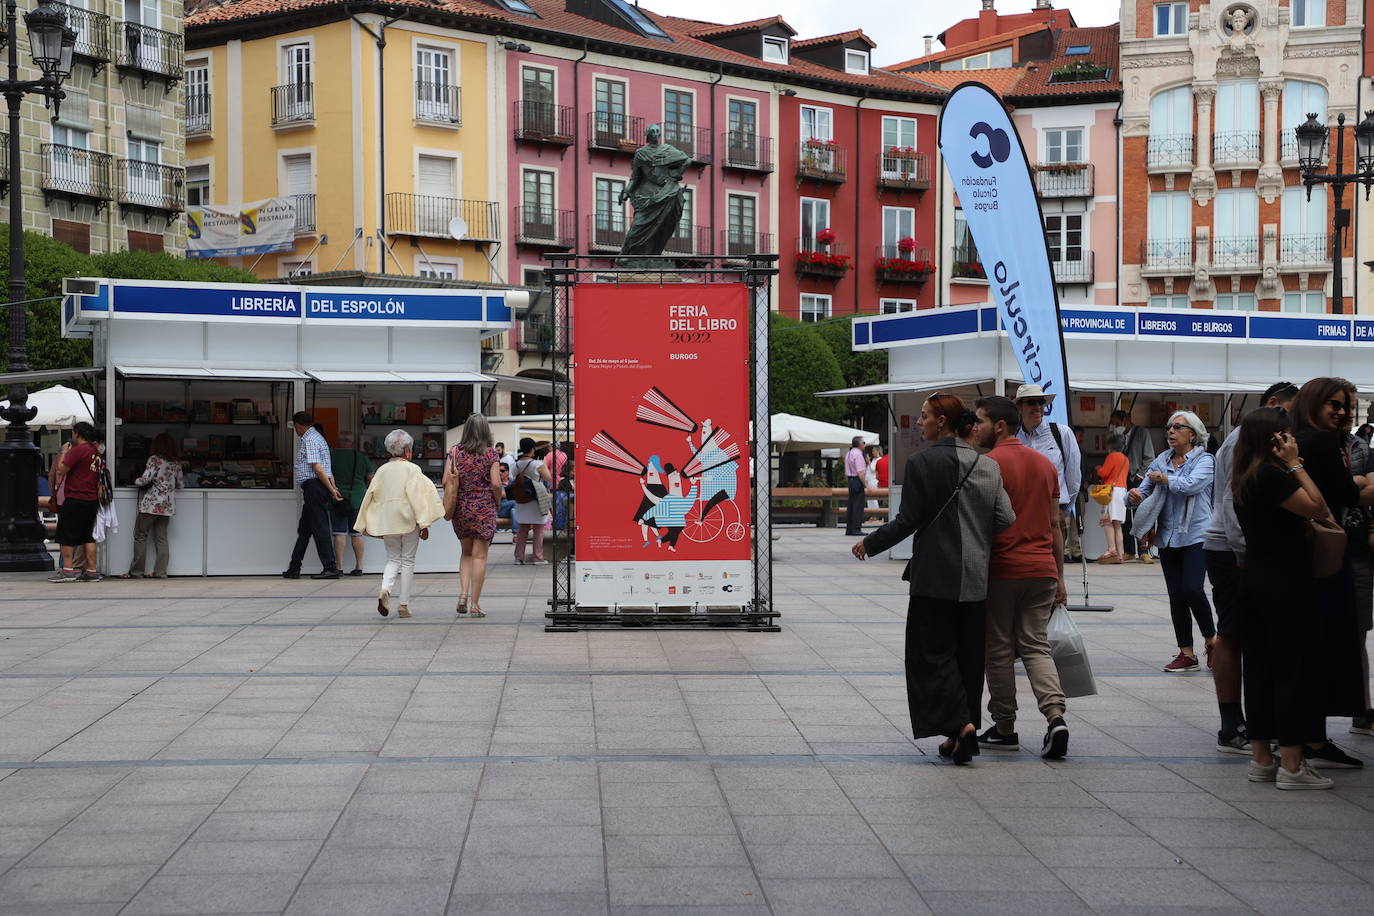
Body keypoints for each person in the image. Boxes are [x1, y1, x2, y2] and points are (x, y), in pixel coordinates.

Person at [851, 394, 1015, 765]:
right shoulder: (987, 466)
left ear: (942, 422)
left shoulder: (922, 463)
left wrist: (870, 543)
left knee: (930, 655)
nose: (919, 423)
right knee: (968, 658)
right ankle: (962, 730)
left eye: (924, 417)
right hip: (975, 578)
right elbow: (1006, 518)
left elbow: (908, 520)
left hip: (934, 577)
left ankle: (960, 725)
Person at [1232, 408, 1334, 789]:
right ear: (1274, 439)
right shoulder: (1273, 476)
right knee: (1291, 671)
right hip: (1286, 584)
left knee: (1258, 670)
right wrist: (1296, 465)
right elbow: (1318, 508)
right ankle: (1292, 764)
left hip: (1254, 582)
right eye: (1287, 435)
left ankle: (1261, 758)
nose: (1293, 441)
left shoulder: (1243, 476)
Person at [973, 396, 1071, 759]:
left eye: (980, 421)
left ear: (1000, 426)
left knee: (998, 648)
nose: (975, 427)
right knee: (1035, 645)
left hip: (1003, 570)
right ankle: (1055, 715)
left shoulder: (988, 465)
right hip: (1042, 569)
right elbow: (1055, 524)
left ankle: (1004, 726)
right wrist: (1059, 576)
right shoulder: (1045, 465)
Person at [1204, 381, 1298, 755]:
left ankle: (1255, 721)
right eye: (1290, 411)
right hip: (1231, 548)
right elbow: (1233, 499)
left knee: (1251, 635)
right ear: (1273, 404)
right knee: (1231, 632)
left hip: (1241, 548)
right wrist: (1244, 552)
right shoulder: (1246, 439)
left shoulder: (1262, 439)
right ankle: (1231, 724)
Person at [1290, 377, 1370, 770]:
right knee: (1326, 646)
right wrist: (1361, 483)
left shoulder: (1296, 438)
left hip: (1301, 556)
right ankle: (1314, 739)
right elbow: (1348, 494)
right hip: (1326, 555)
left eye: (1346, 406)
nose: (1341, 411)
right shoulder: (1321, 442)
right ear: (1314, 403)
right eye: (1334, 404)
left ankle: (1306, 736)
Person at [1129, 410, 1215, 672]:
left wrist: (1165, 479)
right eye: (1169, 427)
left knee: (1193, 589)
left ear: (1193, 434)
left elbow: (1191, 485)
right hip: (1167, 536)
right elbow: (1144, 490)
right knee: (1176, 595)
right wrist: (1132, 497)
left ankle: (1212, 641)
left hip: (1197, 534)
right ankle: (1186, 653)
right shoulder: (1161, 460)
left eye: (1178, 427)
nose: (1171, 431)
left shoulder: (1206, 460)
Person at [356, 429, 444, 619]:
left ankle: (385, 589)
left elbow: (371, 496)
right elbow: (418, 498)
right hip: (409, 520)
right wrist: (424, 523)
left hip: (388, 521)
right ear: (407, 451)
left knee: (393, 558)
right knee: (408, 561)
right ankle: (403, 605)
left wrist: (367, 522)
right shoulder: (413, 469)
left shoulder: (381, 471)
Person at [1014, 384, 1082, 564]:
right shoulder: (1013, 438)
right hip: (1022, 514)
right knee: (1026, 566)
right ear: (1020, 407)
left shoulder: (1061, 433)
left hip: (1054, 512)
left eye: (1041, 402)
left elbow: (1074, 478)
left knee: (1052, 568)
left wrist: (1062, 511)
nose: (1038, 406)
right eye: (1031, 402)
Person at [445, 414, 504, 616]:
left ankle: (462, 594)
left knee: (466, 553)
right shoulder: (490, 455)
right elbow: (496, 483)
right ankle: (475, 605)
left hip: (461, 507)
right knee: (480, 556)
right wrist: (497, 500)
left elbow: (446, 480)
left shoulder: (454, 452)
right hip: (484, 508)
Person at [283, 411, 344, 580]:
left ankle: (330, 567)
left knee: (320, 527)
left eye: (295, 427)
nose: (296, 430)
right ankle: (294, 567)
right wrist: (333, 486)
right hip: (317, 487)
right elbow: (327, 468)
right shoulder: (319, 438)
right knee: (305, 529)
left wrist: (332, 490)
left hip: (314, 487)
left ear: (298, 425)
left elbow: (317, 468)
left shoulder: (309, 439)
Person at [119, 434, 182, 579]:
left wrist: (135, 480)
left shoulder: (154, 459)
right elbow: (181, 484)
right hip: (167, 506)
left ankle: (136, 572)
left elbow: (145, 479)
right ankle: (160, 572)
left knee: (141, 535)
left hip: (151, 505)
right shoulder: (176, 463)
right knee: (161, 538)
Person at [47, 421, 103, 583]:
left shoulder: (79, 451)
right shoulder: (96, 452)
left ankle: (68, 571)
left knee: (66, 535)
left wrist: (64, 452)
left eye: (73, 432)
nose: (72, 436)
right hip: (91, 500)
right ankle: (92, 571)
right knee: (87, 536)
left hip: (75, 498)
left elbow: (61, 469)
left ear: (78, 433)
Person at [1111, 407, 1157, 563]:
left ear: (1126, 421)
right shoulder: (1118, 436)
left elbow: (1149, 457)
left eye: (1117, 423)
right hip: (1124, 479)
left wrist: (1140, 476)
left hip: (1139, 479)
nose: (1115, 427)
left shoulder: (1142, 433)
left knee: (1141, 514)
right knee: (1124, 518)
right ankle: (1129, 550)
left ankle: (1143, 550)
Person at [329, 431, 372, 576]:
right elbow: (370, 477)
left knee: (339, 532)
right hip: (358, 499)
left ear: (338, 441)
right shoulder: (361, 457)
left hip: (338, 499)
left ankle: (339, 567)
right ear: (353, 443)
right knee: (357, 533)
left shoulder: (331, 456)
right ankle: (359, 567)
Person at [510, 437, 553, 565]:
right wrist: (543, 463)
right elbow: (548, 478)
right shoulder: (538, 464)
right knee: (538, 529)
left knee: (522, 529)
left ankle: (519, 557)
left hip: (522, 499)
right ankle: (537, 557)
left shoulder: (516, 464)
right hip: (536, 499)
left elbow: (512, 478)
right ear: (533, 448)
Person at [1094, 434, 1129, 564]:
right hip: (1122, 491)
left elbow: (1104, 473)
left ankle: (1111, 549)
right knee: (1118, 525)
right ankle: (1120, 555)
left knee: (1107, 522)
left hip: (1112, 492)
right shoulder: (1126, 459)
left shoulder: (1112, 456)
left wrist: (1098, 469)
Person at [843, 435, 866, 536]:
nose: (864, 445)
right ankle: (856, 528)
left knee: (851, 505)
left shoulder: (848, 453)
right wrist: (866, 485)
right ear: (860, 444)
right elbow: (860, 472)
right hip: (857, 480)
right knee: (858, 505)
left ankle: (849, 529)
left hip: (850, 480)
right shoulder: (858, 455)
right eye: (863, 443)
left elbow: (846, 472)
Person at [864, 444, 880, 510]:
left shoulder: (879, 459)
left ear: (878, 451)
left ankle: (876, 514)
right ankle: (872, 514)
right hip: (868, 481)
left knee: (873, 498)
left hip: (873, 481)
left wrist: (869, 461)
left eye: (874, 451)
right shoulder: (874, 460)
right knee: (869, 499)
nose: (872, 452)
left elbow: (874, 469)